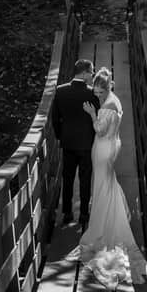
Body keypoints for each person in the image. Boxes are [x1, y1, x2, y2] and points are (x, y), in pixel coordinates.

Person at [75, 66, 147, 289]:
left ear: (105, 88)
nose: (96, 95)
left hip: (103, 148)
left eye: (98, 91)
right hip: (112, 147)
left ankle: (102, 227)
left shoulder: (106, 107)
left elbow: (99, 130)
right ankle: (111, 215)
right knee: (108, 183)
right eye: (95, 91)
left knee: (102, 185)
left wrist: (91, 114)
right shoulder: (115, 100)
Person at [52, 58, 99, 226]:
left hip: (68, 143)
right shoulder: (92, 93)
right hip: (87, 144)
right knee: (85, 179)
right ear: (85, 72)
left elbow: (55, 119)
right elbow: (97, 119)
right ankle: (84, 214)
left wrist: (60, 136)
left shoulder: (60, 91)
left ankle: (67, 213)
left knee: (68, 178)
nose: (92, 74)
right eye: (91, 71)